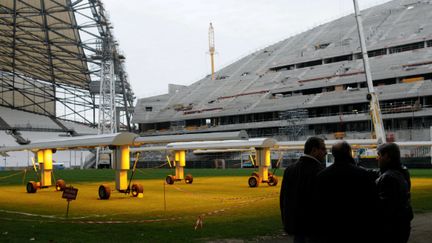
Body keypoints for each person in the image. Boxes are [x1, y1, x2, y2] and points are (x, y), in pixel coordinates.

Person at [314, 141, 379, 243]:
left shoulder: (321, 176)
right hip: (357, 228)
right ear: (349, 153)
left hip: (331, 229)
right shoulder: (363, 174)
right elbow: (373, 203)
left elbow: (318, 205)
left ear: (333, 154)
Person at [280, 137, 327, 243]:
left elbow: (283, 199)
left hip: (296, 227)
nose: (326, 152)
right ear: (314, 150)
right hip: (314, 230)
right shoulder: (321, 172)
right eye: (323, 149)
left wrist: (287, 223)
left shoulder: (289, 170)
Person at [376, 142, 413, 243]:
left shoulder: (388, 177)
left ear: (387, 156)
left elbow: (383, 208)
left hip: (392, 229)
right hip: (403, 225)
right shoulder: (402, 171)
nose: (377, 158)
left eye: (379, 155)